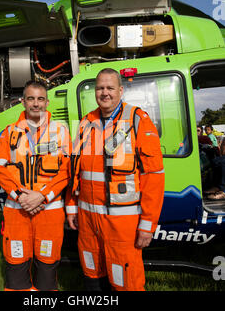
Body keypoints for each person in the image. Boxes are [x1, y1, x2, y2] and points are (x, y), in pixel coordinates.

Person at [66, 68, 165, 291]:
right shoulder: (86, 122)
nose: (105, 93)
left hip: (122, 224)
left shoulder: (137, 120)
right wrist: (71, 207)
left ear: (120, 90)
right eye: (100, 88)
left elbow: (154, 177)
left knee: (125, 280)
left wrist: (147, 225)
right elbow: (74, 171)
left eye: (110, 88)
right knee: (92, 274)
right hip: (88, 221)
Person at [0, 80, 71, 291]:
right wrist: (21, 197)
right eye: (30, 99)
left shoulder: (61, 131)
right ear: (22, 102)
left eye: (40, 99)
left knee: (47, 267)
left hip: (49, 211)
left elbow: (66, 171)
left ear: (46, 102)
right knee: (16, 266)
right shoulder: (9, 132)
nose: (35, 104)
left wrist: (42, 197)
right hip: (18, 212)